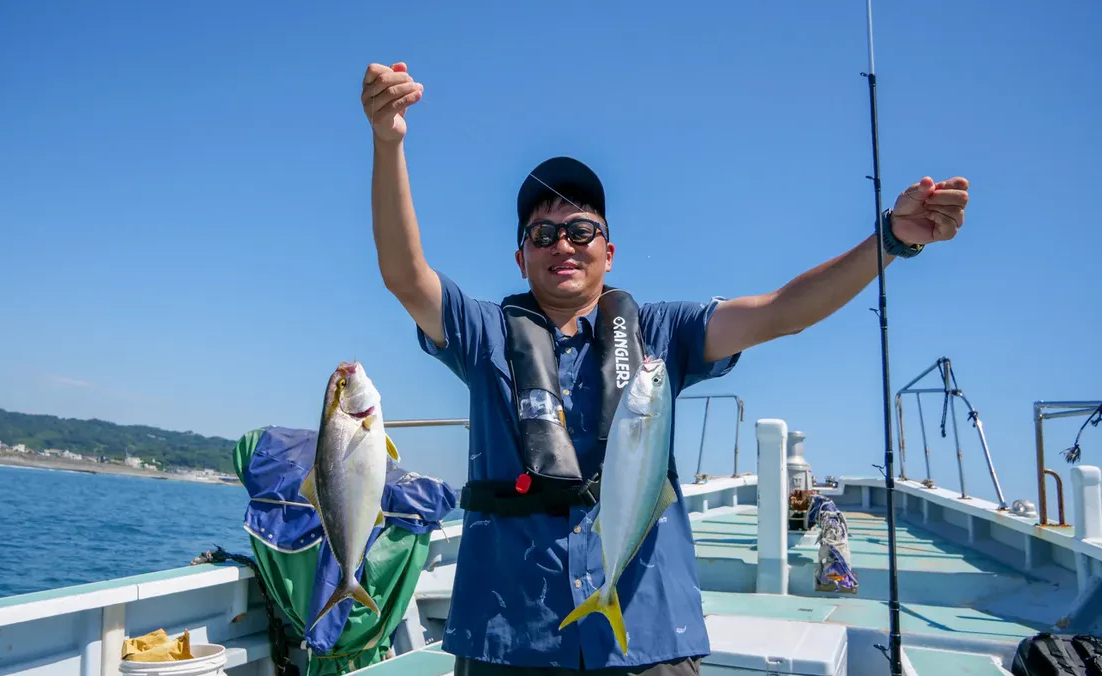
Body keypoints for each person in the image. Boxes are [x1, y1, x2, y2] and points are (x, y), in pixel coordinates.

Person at [360, 61, 969, 675]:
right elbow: (405, 275)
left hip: (647, 635)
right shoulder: (484, 334)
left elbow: (784, 313)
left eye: (581, 229)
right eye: (543, 233)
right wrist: (389, 141)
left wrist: (890, 241)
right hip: (510, 635)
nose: (563, 245)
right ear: (521, 258)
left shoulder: (662, 334)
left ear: (609, 250)